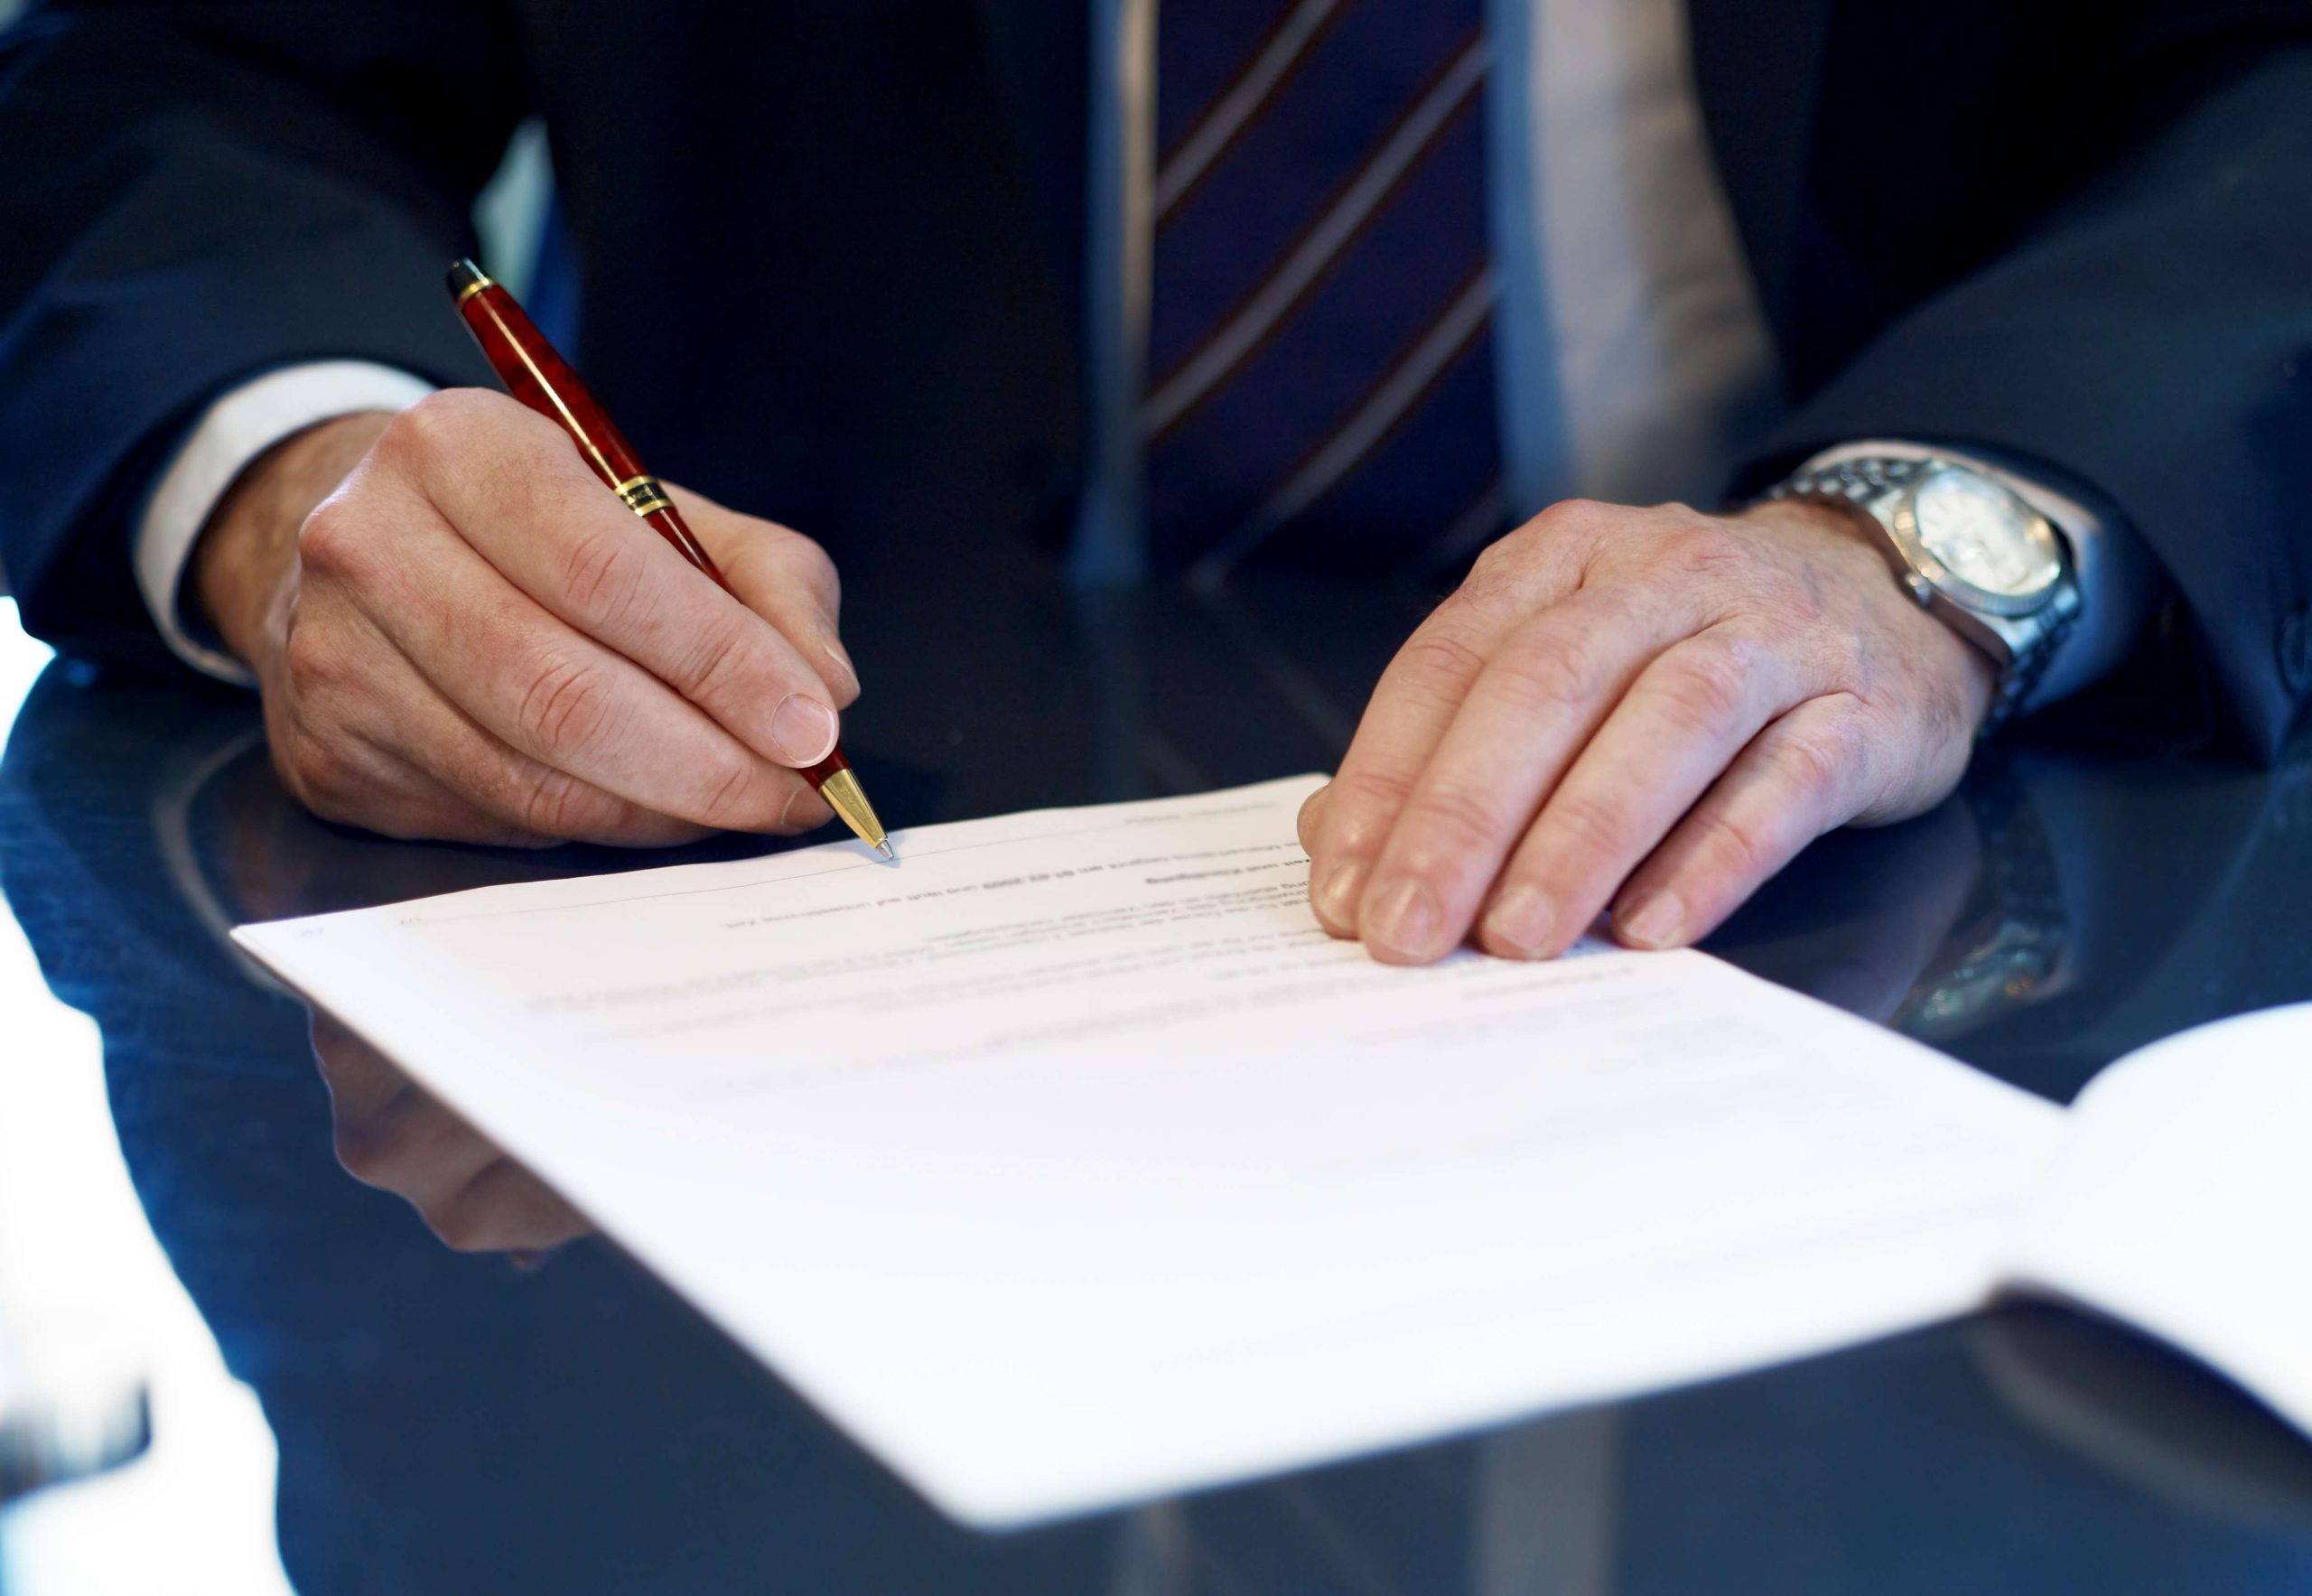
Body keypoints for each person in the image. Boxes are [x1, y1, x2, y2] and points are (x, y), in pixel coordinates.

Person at [3, 2, 2307, 969]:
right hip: (764, 844)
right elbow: (183, 72)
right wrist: (300, 462)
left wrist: (1936, 532)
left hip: (1911, 898)